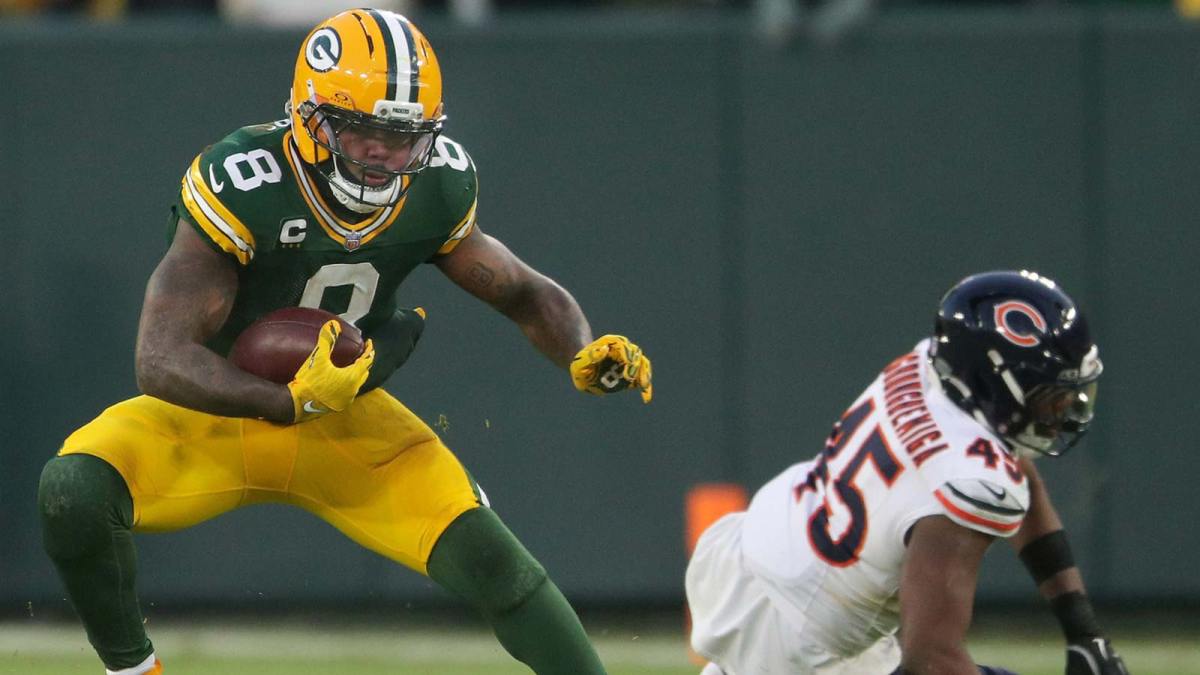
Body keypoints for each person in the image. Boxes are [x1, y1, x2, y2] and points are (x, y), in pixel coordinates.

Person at [37, 9, 651, 675]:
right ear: (310, 117)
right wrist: (282, 400)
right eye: (363, 132)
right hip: (219, 409)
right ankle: (134, 670)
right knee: (74, 488)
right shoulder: (245, 180)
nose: (385, 154)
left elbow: (523, 290)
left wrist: (580, 349)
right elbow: (158, 358)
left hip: (344, 414)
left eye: (404, 136)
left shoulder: (439, 184)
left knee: (493, 560)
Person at [685, 270, 1129, 675]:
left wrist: (1082, 630)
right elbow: (930, 660)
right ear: (999, 383)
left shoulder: (929, 369)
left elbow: (1006, 459)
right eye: (1049, 394)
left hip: (751, 549)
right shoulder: (972, 482)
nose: (1063, 409)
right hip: (809, 645)